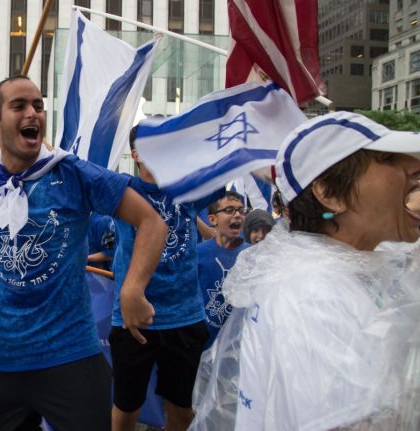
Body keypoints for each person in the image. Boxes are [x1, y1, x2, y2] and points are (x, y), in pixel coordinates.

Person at [0, 76, 167, 431]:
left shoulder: (73, 174)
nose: (32, 112)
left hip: (73, 361)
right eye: (19, 106)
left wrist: (132, 288)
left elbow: (151, 222)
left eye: (37, 105)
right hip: (0, 364)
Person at [191, 112, 420, 430]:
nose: (414, 167)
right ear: (330, 193)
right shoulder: (314, 295)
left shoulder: (335, 275)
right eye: (387, 158)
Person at [110, 125, 219, 431]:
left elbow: (225, 162)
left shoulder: (187, 187)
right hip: (133, 319)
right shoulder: (122, 188)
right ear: (135, 154)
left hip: (184, 315)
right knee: (126, 407)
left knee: (181, 407)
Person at [196, 191, 250, 349]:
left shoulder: (253, 256)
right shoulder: (197, 255)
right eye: (229, 210)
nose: (238, 215)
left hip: (240, 350)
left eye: (241, 210)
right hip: (203, 348)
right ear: (212, 219)